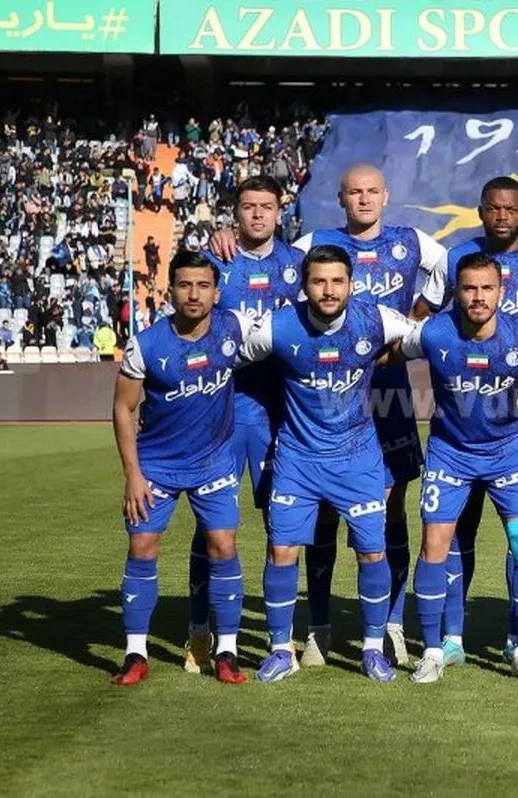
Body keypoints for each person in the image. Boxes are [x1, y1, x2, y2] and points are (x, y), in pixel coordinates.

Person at [212, 163, 518, 666]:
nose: (364, 199)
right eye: (355, 192)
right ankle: (319, 627)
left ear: (385, 196)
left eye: (372, 191)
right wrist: (230, 236)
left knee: (390, 510)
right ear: (341, 198)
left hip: (387, 395)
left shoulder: (411, 241)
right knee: (321, 515)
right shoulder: (314, 243)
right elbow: (273, 258)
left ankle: (390, 626)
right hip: (321, 402)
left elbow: (461, 266)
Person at [237, 244, 414, 683]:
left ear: (351, 284)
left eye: (337, 281)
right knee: (281, 551)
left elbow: (422, 339)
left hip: (358, 459)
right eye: (319, 281)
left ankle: (372, 649)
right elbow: (230, 356)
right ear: (304, 285)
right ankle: (281, 650)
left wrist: (389, 355)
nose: (329, 290)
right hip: (297, 459)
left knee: (372, 552)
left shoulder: (377, 319)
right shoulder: (277, 327)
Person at [397, 252, 518, 684]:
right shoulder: (432, 332)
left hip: (510, 451)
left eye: (487, 288)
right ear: (456, 292)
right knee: (434, 547)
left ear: (501, 291)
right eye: (469, 288)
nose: (478, 297)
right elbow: (387, 354)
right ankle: (434, 651)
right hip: (450, 452)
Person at [438, 176, 518, 666]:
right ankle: (452, 636)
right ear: (480, 211)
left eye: (511, 209)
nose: (502, 216)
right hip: (461, 421)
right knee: (459, 530)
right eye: (493, 208)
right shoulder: (456, 258)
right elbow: (425, 317)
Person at [181, 175, 305, 675]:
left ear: (280, 211)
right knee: (210, 525)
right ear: (235, 213)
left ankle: (282, 641)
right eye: (249, 206)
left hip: (280, 413)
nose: (257, 214)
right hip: (221, 412)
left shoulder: (299, 264)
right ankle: (198, 629)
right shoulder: (214, 262)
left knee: (284, 525)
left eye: (266, 206)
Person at [109, 250, 251, 687]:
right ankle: (135, 653)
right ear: (170, 290)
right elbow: (123, 408)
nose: (194, 294)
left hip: (214, 462)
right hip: (156, 466)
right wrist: (133, 475)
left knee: (223, 546)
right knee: (142, 547)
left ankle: (226, 651)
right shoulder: (146, 344)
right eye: (185, 285)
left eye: (203, 285)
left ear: (216, 292)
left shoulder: (235, 327)